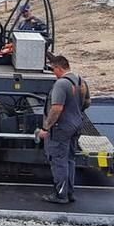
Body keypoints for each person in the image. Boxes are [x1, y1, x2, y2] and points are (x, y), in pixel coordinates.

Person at [34, 54, 87, 204]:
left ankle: (60, 195)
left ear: (58, 68)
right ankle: (69, 192)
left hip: (60, 128)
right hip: (75, 125)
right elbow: (87, 102)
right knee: (70, 159)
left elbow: (56, 108)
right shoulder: (80, 80)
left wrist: (46, 127)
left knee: (58, 161)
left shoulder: (61, 84)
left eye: (53, 70)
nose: (53, 73)